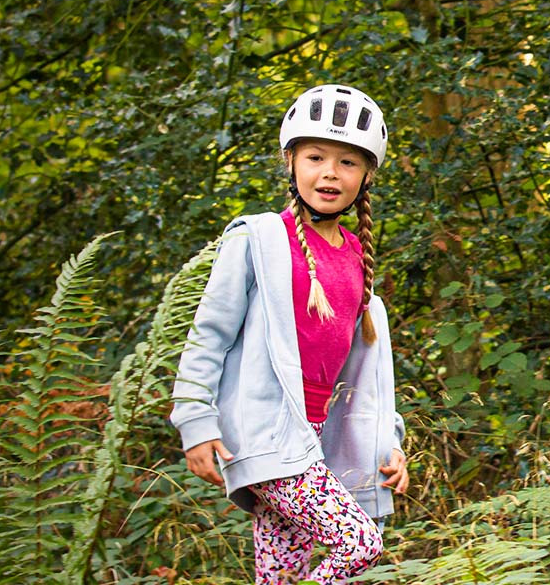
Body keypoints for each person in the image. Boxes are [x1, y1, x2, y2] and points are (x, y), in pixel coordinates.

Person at [170, 84, 409, 584]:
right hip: (268, 432)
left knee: (279, 573)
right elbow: (209, 334)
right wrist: (196, 421)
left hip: (317, 436)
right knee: (359, 543)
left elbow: (364, 372)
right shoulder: (257, 239)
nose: (330, 173)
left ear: (366, 175)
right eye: (316, 156)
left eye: (348, 162)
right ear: (290, 161)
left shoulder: (355, 260)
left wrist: (388, 440)